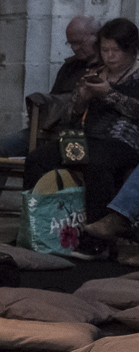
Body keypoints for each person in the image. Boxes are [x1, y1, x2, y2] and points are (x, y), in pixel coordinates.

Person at [24, 17, 139, 223]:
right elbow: (68, 117)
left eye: (116, 50)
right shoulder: (95, 73)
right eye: (105, 50)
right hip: (85, 139)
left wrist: (108, 94)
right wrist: (81, 100)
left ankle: (97, 239)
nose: (110, 56)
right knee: (38, 159)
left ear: (130, 50)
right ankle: (39, 226)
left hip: (123, 144)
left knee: (96, 163)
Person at [0, 15, 101, 157]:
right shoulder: (69, 67)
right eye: (71, 43)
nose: (74, 48)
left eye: (79, 42)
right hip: (51, 130)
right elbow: (53, 102)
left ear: (96, 37)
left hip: (82, 133)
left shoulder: (107, 68)